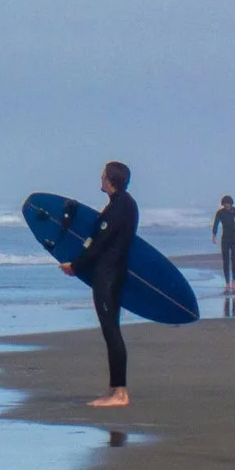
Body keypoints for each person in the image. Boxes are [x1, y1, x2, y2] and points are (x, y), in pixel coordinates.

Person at [61, 160, 137, 407]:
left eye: (103, 175)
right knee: (111, 330)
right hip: (115, 272)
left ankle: (120, 393)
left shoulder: (118, 208)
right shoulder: (124, 204)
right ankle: (114, 389)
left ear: (110, 179)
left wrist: (75, 266)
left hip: (107, 276)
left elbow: (99, 245)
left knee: (111, 332)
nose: (101, 178)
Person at [212, 194, 235, 290]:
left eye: (228, 204)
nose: (226, 205)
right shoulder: (220, 213)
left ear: (231, 203)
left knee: (234, 261)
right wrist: (214, 235)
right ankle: (227, 283)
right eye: (224, 204)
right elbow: (216, 223)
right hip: (225, 239)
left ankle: (234, 281)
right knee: (225, 261)